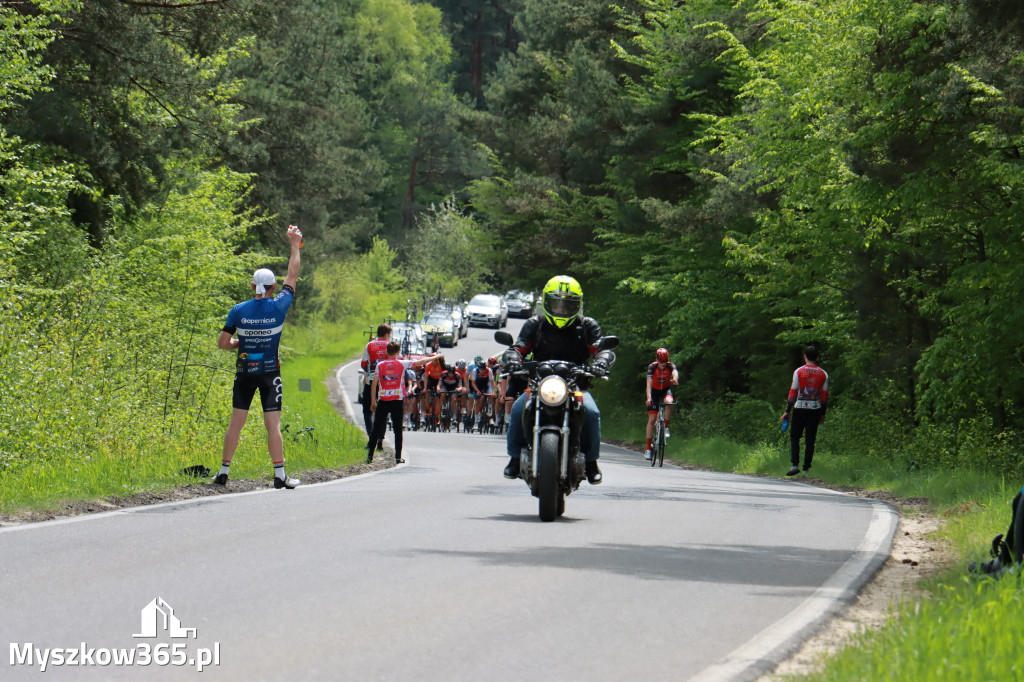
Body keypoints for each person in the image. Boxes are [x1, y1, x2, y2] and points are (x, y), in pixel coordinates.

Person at [503, 275, 615, 484]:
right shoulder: (534, 324)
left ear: (578, 305)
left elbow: (600, 349)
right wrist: (512, 359)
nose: (561, 309)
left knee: (591, 412)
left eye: (567, 305)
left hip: (575, 386)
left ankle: (591, 462)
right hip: (538, 385)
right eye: (556, 304)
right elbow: (519, 348)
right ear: (546, 303)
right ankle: (515, 458)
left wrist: (602, 361)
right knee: (519, 409)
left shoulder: (587, 325)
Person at [215, 225, 303, 489]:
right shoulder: (279, 305)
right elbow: (293, 273)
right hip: (269, 374)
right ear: (273, 286)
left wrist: (240, 343)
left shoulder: (238, 310)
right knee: (272, 424)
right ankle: (279, 475)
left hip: (244, 373)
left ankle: (223, 472)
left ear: (252, 286)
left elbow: (222, 343)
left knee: (236, 423)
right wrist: (294, 244)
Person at [366, 342, 443, 464]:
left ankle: (370, 456)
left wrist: (373, 401)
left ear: (387, 352)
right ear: (398, 353)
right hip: (396, 400)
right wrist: (436, 357)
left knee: (376, 428)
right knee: (398, 430)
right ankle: (397, 457)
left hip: (383, 400)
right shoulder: (402, 363)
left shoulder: (380, 365)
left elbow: (374, 383)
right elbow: (421, 362)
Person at [780, 345, 830, 476]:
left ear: (804, 357)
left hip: (800, 408)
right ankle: (806, 470)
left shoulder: (798, 371)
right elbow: (824, 397)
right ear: (817, 357)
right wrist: (823, 414)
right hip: (815, 409)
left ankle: (794, 465)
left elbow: (793, 392)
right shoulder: (824, 374)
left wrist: (787, 411)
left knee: (795, 437)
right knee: (810, 439)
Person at [361, 323, 392, 451]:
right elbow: (398, 362)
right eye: (389, 335)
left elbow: (363, 364)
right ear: (386, 334)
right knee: (383, 412)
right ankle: (380, 441)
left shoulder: (369, 345)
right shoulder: (391, 346)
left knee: (367, 411)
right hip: (385, 383)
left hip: (370, 380)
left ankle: (370, 437)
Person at [645, 348, 679, 460]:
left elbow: (675, 372)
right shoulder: (652, 367)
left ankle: (666, 427)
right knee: (652, 419)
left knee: (669, 403)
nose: (663, 363)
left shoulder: (670, 365)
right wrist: (649, 398)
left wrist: (674, 379)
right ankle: (648, 449)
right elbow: (648, 385)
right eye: (661, 360)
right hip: (653, 392)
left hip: (665, 390)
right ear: (657, 359)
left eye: (665, 360)